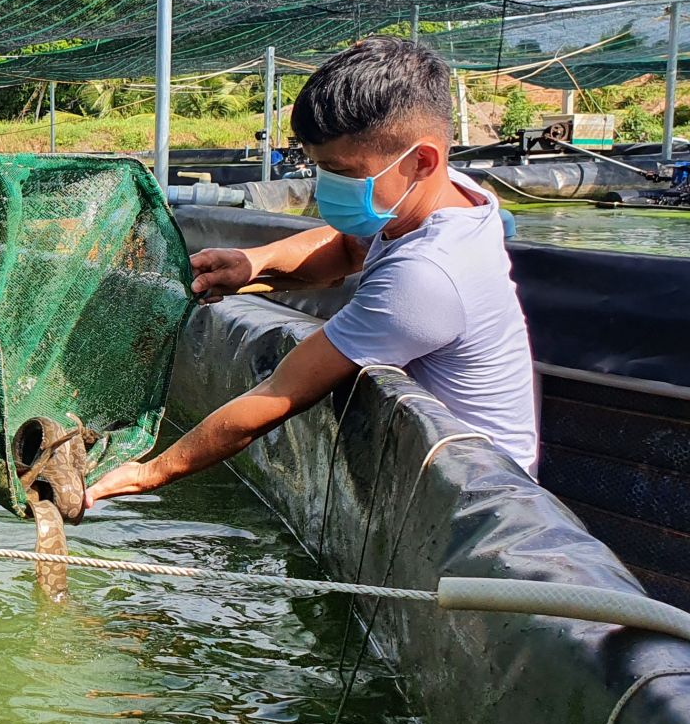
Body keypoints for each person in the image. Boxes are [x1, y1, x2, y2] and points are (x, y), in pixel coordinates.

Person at [85, 36, 539, 507]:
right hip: (437, 471)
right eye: (319, 166)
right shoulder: (446, 196)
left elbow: (281, 392)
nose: (325, 185)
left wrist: (148, 472)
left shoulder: (427, 276)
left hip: (480, 497)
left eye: (340, 170)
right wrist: (253, 265)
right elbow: (348, 248)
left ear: (422, 160)